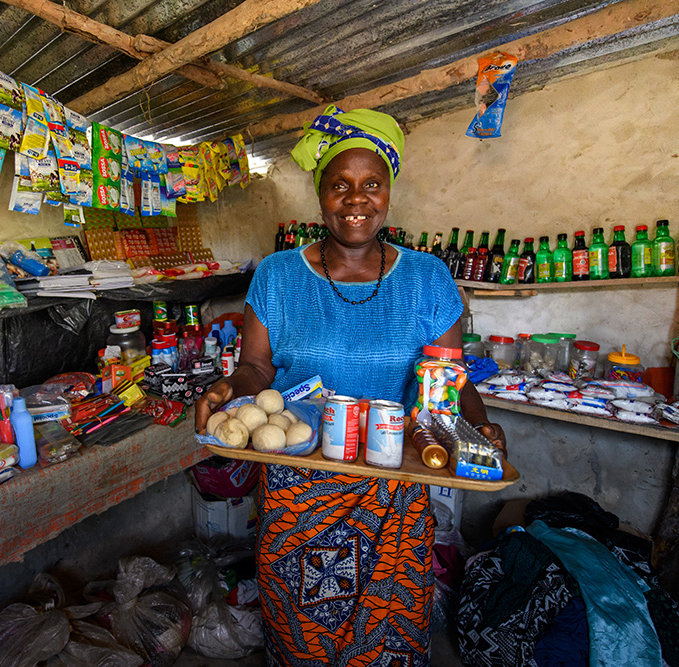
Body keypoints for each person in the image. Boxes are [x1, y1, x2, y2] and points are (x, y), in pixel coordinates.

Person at [195, 105, 506, 666]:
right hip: (299, 484)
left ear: (388, 192)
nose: (356, 199)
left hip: (392, 488)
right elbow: (258, 369)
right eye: (340, 184)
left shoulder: (426, 278)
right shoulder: (278, 276)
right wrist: (227, 391)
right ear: (321, 195)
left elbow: (446, 380)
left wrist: (478, 427)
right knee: (299, 633)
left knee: (389, 633)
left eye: (371, 185)